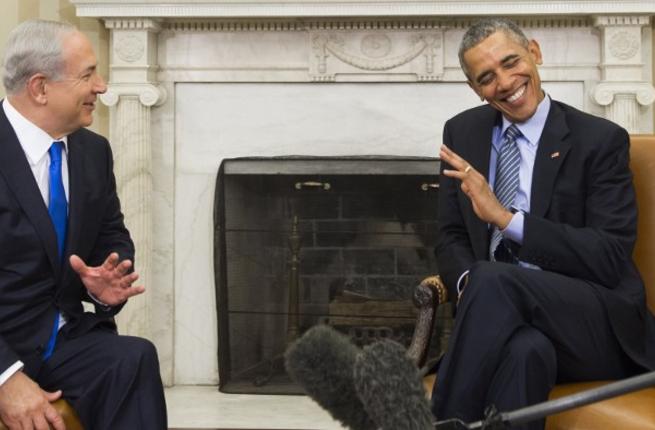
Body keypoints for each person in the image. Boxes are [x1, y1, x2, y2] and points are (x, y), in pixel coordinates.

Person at [433, 18, 655, 429]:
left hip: (596, 322)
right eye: (487, 77)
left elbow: (608, 257)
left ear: (534, 53)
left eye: (511, 61)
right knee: (524, 351)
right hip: (507, 318)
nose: (504, 82)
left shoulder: (600, 140)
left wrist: (505, 219)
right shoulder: (462, 133)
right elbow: (449, 235)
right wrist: (469, 288)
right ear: (475, 89)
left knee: (495, 279)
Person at [0, 19, 166, 429]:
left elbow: (112, 236)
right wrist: (5, 376)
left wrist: (107, 284)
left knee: (133, 357)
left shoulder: (93, 151)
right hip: (5, 344)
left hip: (63, 337)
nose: (103, 86)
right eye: (89, 74)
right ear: (40, 88)